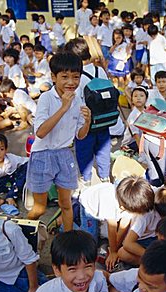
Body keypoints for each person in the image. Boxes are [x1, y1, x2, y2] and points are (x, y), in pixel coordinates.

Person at [25, 53, 91, 231]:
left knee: (66, 203)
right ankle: (24, 233)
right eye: (64, 77)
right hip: (42, 154)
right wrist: (63, 107)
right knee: (40, 208)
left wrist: (88, 122)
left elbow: (80, 135)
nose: (71, 82)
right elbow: (40, 132)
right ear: (53, 77)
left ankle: (68, 242)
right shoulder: (46, 98)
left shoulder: (78, 100)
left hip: (64, 153)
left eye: (76, 77)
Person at [13, 230, 107, 292]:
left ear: (94, 265)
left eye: (88, 266)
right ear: (57, 270)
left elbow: (113, 280)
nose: (82, 276)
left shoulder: (98, 278)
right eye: (72, 269)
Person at [64, 38, 111, 187]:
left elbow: (75, 102)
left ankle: (86, 178)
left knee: (84, 151)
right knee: (103, 149)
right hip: (104, 119)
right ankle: (105, 177)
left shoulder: (78, 77)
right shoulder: (100, 70)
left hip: (85, 122)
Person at [78, 176, 151, 271]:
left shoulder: (128, 198)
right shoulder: (109, 201)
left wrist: (116, 248)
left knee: (109, 237)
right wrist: (113, 252)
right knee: (90, 241)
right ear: (123, 207)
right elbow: (112, 227)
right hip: (88, 207)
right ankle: (72, 223)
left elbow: (124, 224)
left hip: (105, 209)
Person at [114, 176, 159, 266]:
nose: (120, 207)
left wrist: (150, 256)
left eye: (122, 206)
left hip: (147, 240)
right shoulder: (153, 192)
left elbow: (128, 243)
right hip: (156, 235)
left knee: (122, 253)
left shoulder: (142, 218)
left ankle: (154, 263)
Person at [121, 86, 148, 151]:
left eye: (141, 96)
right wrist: (142, 153)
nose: (138, 98)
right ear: (132, 100)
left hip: (142, 139)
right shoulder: (133, 115)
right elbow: (136, 136)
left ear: (146, 99)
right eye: (135, 96)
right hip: (131, 143)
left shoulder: (147, 112)